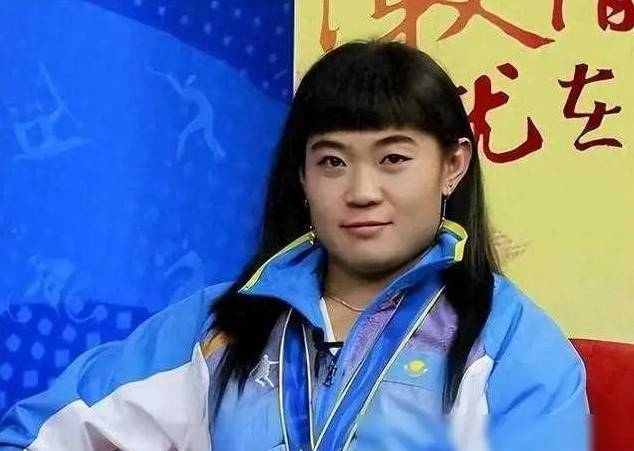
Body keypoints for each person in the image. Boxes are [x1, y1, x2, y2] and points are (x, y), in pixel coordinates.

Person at [0, 41, 588, 451]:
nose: (362, 192)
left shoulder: (508, 343)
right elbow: (37, 438)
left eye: (393, 159)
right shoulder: (221, 326)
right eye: (332, 162)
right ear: (302, 177)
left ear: (452, 166)